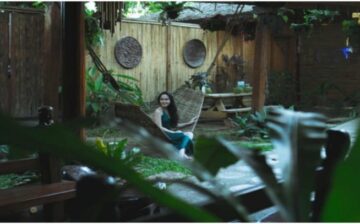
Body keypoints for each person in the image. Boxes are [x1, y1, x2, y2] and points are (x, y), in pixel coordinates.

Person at [153, 91, 198, 159]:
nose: (164, 101)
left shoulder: (169, 110)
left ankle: (181, 151)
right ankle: (182, 152)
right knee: (185, 135)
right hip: (163, 134)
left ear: (170, 100)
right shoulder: (158, 111)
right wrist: (173, 132)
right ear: (159, 101)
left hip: (169, 133)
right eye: (162, 99)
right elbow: (159, 127)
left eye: (166, 99)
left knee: (189, 134)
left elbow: (174, 125)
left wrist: (188, 123)